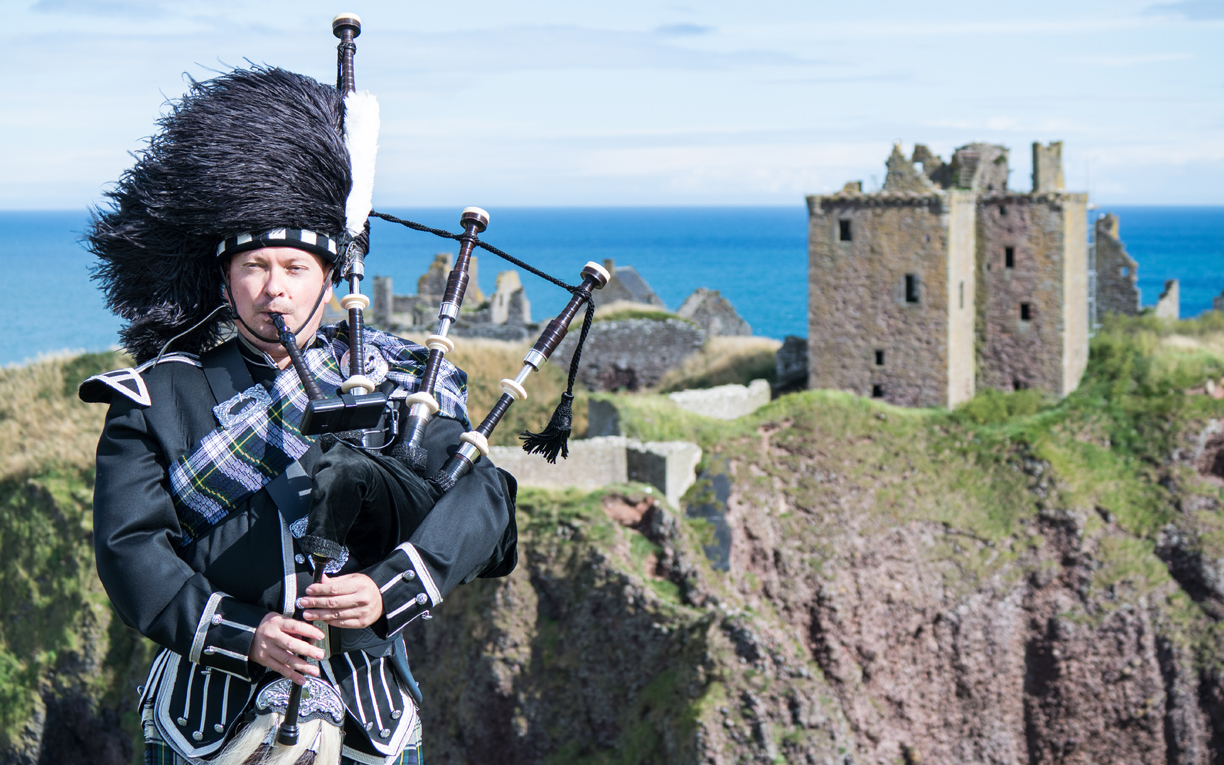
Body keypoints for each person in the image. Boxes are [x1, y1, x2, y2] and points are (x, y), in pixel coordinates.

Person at [80, 65, 516, 765]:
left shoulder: (404, 383)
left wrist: (387, 588)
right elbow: (129, 549)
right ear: (225, 278)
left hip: (366, 718)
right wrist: (244, 633)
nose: (273, 289)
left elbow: (486, 506)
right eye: (254, 265)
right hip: (208, 719)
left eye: (294, 266)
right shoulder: (157, 397)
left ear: (330, 276)